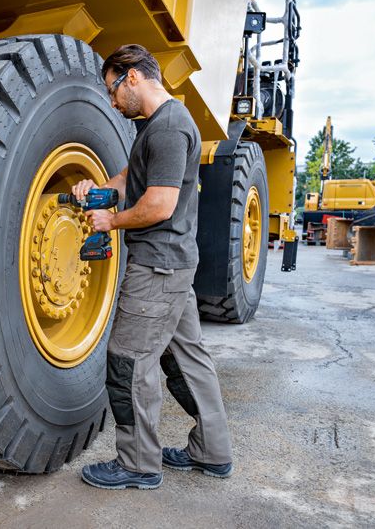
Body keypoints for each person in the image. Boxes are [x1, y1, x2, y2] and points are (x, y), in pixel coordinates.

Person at [77, 44, 233, 490]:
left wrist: (112, 221)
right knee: (189, 359)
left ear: (132, 78)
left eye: (112, 90)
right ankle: (212, 451)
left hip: (156, 268)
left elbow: (159, 205)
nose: (111, 102)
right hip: (175, 266)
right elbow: (130, 179)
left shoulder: (166, 129)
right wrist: (98, 190)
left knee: (129, 362)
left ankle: (138, 464)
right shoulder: (158, 126)